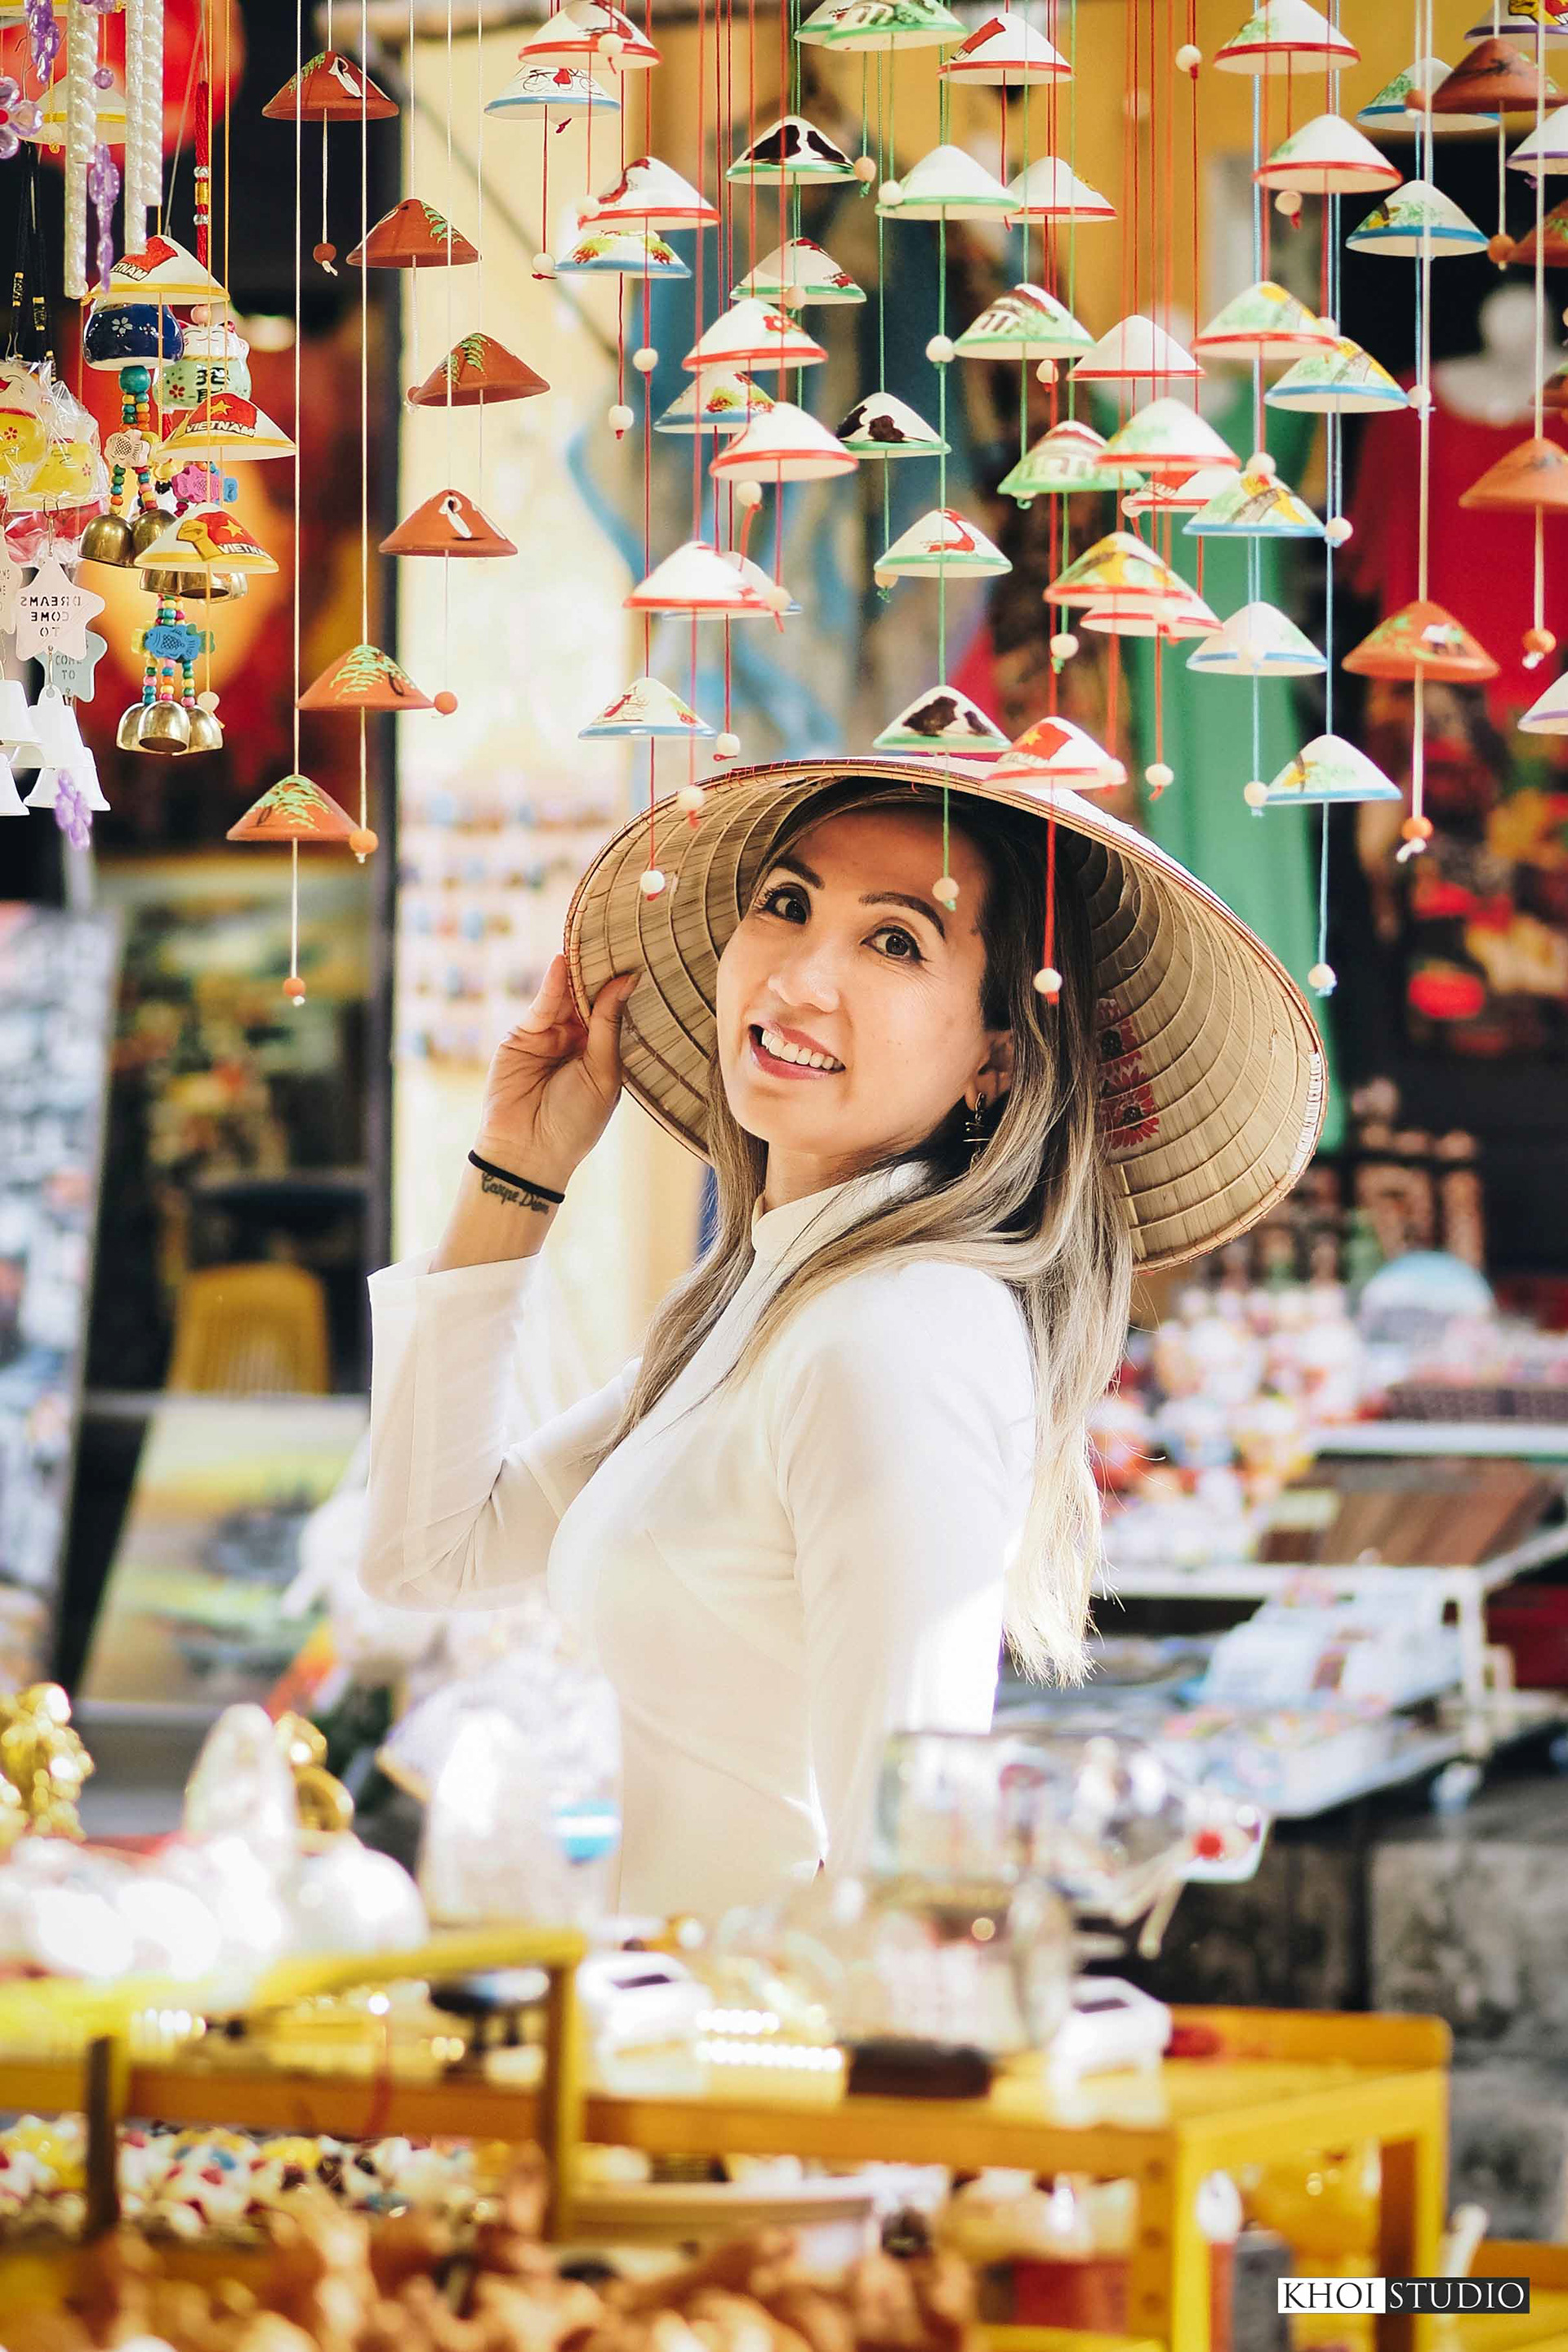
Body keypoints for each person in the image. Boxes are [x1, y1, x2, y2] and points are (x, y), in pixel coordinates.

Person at [361, 759, 1323, 1918]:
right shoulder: (761, 1306)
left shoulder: (895, 1334)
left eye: (899, 943)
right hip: (653, 2038)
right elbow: (430, 1551)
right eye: (788, 905)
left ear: (995, 1058)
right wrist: (518, 1168)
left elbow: (903, 1855)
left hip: (751, 2059)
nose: (805, 977)